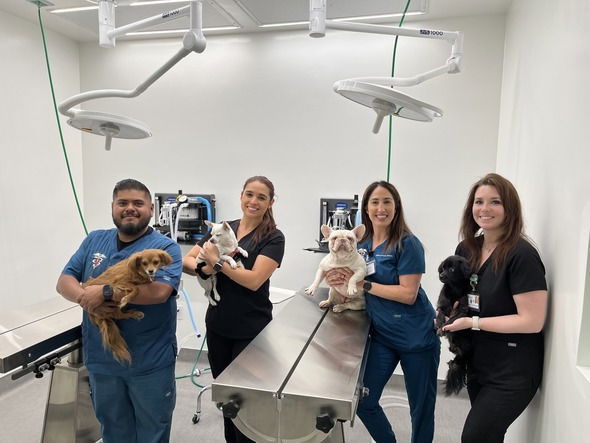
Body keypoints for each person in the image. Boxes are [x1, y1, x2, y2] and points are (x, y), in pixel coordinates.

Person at [56, 179, 182, 443]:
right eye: (122, 203)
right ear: (113, 207)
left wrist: (105, 292)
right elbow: (64, 281)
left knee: (152, 431)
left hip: (149, 360)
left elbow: (159, 292)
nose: (130, 208)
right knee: (113, 430)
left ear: (150, 208)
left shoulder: (165, 248)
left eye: (138, 203)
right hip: (103, 360)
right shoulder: (94, 240)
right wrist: (85, 296)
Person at [328, 181, 440, 443]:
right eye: (375, 202)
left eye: (387, 201)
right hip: (383, 336)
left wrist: (362, 284)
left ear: (396, 206)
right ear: (366, 208)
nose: (381, 208)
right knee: (364, 400)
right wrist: (340, 284)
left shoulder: (407, 244)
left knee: (421, 410)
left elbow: (408, 294)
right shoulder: (362, 243)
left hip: (417, 337)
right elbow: (353, 283)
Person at [441, 173, 547, 443]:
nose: (484, 209)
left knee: (475, 437)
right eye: (478, 201)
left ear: (509, 208)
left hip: (512, 371)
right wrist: (446, 313)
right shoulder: (467, 248)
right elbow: (458, 291)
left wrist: (473, 323)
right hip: (479, 363)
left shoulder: (521, 255)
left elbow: (532, 320)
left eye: (495, 202)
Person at [182, 175, 285, 443]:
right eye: (249, 194)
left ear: (271, 202)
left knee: (247, 401)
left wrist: (216, 264)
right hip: (218, 325)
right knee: (226, 400)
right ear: (241, 196)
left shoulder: (273, 237)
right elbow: (188, 260)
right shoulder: (222, 227)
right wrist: (205, 267)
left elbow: (253, 281)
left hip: (251, 330)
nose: (254, 201)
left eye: (261, 197)